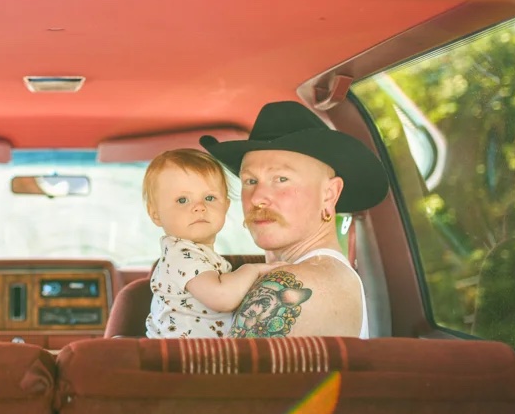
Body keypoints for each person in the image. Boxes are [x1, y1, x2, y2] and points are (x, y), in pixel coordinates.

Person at [200, 101, 390, 338]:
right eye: (250, 181)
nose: (257, 197)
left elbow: (219, 375)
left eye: (281, 179)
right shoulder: (323, 272)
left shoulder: (292, 283)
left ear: (328, 195)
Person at [143, 149, 281, 338]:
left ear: (226, 205)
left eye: (209, 198)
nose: (199, 206)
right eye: (182, 200)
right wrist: (253, 269)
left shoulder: (197, 254)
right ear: (155, 214)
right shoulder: (181, 254)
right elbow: (222, 297)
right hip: (181, 360)